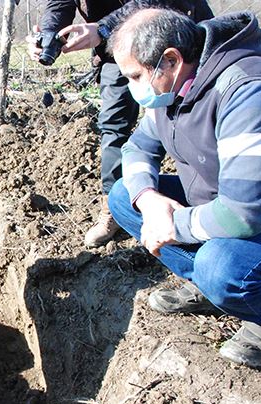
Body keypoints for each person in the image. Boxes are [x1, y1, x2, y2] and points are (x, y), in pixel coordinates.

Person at [106, 7, 261, 367]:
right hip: (218, 202)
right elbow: (137, 148)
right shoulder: (175, 88)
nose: (134, 87)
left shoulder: (251, 93)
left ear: (170, 60)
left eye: (135, 76)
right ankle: (213, 288)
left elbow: (242, 216)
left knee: (220, 266)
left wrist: (173, 224)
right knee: (124, 196)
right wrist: (150, 201)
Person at [27, 0, 213, 247]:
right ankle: (116, 208)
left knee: (194, 118)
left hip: (175, 37)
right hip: (119, 46)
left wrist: (103, 28)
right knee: (116, 125)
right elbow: (60, 3)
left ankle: (212, 203)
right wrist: (50, 34)